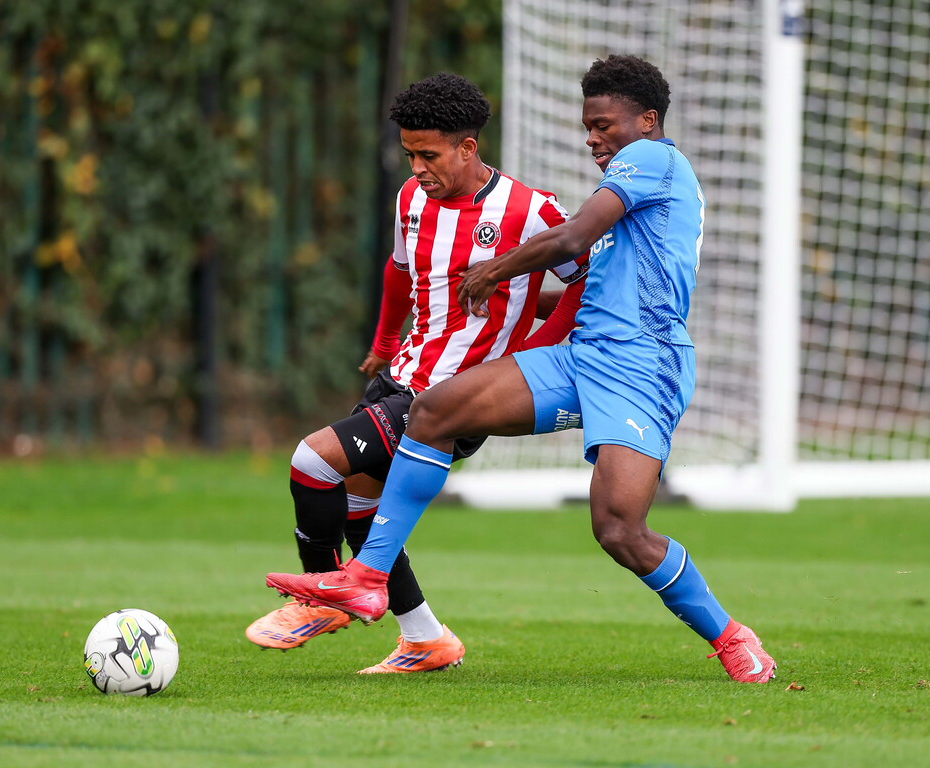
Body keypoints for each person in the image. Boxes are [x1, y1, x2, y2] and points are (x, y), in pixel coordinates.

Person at [266, 55, 777, 684]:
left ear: (647, 120)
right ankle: (369, 578)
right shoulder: (633, 179)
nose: (592, 138)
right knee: (435, 409)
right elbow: (589, 287)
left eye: (603, 125)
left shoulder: (652, 159)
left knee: (619, 529)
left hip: (643, 365)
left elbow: (571, 239)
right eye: (588, 127)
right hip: (584, 353)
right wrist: (508, 299)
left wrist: (494, 270)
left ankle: (730, 637)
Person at [248, 72, 587, 673]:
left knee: (312, 461)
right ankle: (426, 639)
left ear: (467, 147)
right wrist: (384, 340)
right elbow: (400, 269)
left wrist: (531, 355)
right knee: (361, 513)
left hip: (457, 398)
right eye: (409, 153)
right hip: (402, 375)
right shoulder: (411, 197)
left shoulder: (531, 210)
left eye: (428, 154)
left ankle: (320, 596)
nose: (417, 167)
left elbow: (583, 286)